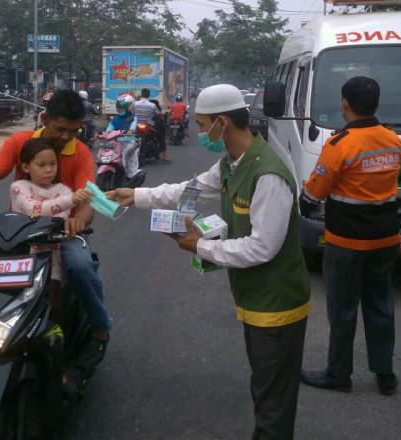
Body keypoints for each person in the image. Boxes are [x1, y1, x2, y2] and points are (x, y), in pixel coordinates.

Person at [108, 84, 310, 440]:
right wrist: (136, 195)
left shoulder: (269, 174)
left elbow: (262, 248)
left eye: (202, 126)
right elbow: (191, 189)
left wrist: (200, 247)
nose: (200, 133)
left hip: (277, 305)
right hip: (254, 300)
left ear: (222, 123)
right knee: (265, 389)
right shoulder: (233, 163)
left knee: (273, 402)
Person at [0, 89, 112, 427]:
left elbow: (88, 198)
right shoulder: (19, 143)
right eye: (60, 129)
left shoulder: (82, 153)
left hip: (63, 235)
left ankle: (101, 328)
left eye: (73, 131)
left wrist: (80, 220)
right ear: (45, 120)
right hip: (17, 236)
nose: (66, 138)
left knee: (79, 266)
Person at [299, 76, 401, 396]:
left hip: (347, 242)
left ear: (345, 104)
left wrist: (305, 201)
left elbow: (313, 195)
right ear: (377, 103)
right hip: (386, 240)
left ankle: (338, 373)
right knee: (381, 306)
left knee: (343, 310)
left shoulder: (339, 145)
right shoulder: (394, 141)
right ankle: (385, 375)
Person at [10, 137, 92, 279]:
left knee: (75, 269)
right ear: (26, 167)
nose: (49, 170)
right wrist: (71, 200)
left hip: (53, 247)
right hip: (22, 245)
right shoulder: (18, 187)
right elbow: (33, 209)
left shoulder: (63, 190)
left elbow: (60, 218)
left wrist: (69, 201)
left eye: (53, 164)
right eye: (41, 165)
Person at [105, 93, 141, 180]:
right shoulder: (115, 118)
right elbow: (109, 129)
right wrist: (105, 134)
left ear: (130, 106)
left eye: (123, 106)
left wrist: (128, 133)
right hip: (116, 141)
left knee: (127, 154)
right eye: (119, 105)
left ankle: (131, 174)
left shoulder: (133, 118)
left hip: (129, 140)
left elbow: (132, 129)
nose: (120, 108)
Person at [133, 88, 170, 163]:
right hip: (148, 127)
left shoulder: (135, 104)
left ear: (141, 94)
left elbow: (131, 113)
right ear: (148, 95)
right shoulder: (152, 105)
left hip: (136, 126)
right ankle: (164, 155)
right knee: (161, 136)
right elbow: (159, 114)